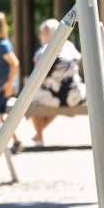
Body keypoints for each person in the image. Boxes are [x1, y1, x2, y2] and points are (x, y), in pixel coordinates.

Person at [28, 17, 85, 147]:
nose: (39, 35)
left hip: (53, 96)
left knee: (32, 99)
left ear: (50, 33)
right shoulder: (70, 46)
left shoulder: (43, 51)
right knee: (50, 98)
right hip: (74, 95)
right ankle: (38, 134)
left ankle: (39, 138)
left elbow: (37, 77)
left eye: (42, 32)